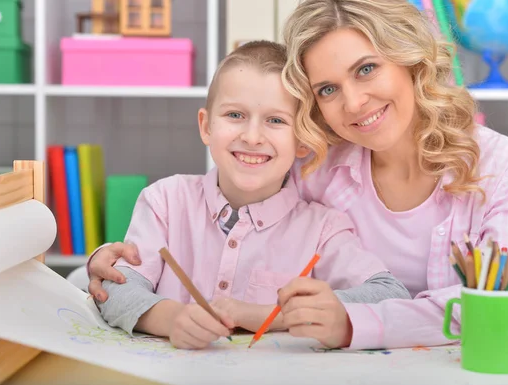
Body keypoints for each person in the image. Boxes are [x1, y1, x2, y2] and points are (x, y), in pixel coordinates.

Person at [88, 1, 508, 350]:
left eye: (367, 69)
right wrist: (112, 261)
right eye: (328, 89)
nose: (352, 104)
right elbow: (227, 199)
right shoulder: (314, 164)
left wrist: (354, 323)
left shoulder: (500, 166)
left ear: (412, 60)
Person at [94, 40, 411, 350]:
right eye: (235, 115)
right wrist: (173, 318)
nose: (252, 137)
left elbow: (390, 294)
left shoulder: (323, 229)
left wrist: (273, 316)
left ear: (303, 140)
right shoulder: (165, 201)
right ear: (206, 126)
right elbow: (115, 290)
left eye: (275, 121)